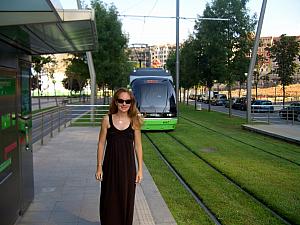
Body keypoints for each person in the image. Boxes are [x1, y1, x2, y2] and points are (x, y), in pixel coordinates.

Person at [95, 87, 143, 225]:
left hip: (128, 168)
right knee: (108, 200)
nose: (124, 104)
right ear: (115, 102)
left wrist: (140, 169)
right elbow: (101, 143)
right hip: (110, 167)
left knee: (126, 199)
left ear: (131, 103)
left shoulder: (135, 122)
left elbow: (138, 146)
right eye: (121, 100)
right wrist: (99, 167)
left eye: (127, 101)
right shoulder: (107, 120)